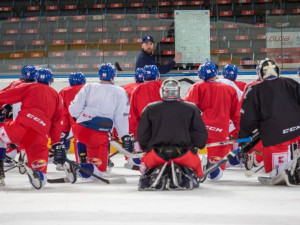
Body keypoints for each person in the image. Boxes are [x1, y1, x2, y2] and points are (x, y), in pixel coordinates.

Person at [137, 78, 208, 190]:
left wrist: (147, 148)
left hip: (156, 156)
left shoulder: (150, 108)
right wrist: (196, 146)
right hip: (185, 156)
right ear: (178, 91)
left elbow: (142, 136)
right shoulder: (191, 108)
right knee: (199, 173)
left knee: (143, 168)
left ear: (162, 91)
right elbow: (200, 136)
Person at [239, 58, 300, 186]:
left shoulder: (254, 89)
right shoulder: (292, 83)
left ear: (260, 73)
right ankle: (293, 166)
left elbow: (248, 118)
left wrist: (244, 140)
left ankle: (286, 168)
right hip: (297, 133)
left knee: (275, 173)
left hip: (275, 137)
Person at [0, 68, 63, 189]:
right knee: (42, 178)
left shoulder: (28, 87)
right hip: (40, 138)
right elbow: (56, 124)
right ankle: (38, 173)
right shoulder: (57, 97)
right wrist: (56, 143)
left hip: (19, 130)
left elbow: (3, 96)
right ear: (51, 80)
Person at [67, 63, 130, 181]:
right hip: (99, 134)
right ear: (114, 75)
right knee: (99, 172)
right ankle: (77, 168)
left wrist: (79, 116)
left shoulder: (88, 87)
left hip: (80, 130)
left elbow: (74, 110)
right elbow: (121, 116)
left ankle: (81, 162)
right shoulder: (120, 91)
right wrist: (124, 136)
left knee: (84, 145)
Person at [185, 61, 240, 181]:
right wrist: (238, 134)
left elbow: (188, 110)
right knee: (217, 174)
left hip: (200, 130)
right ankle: (211, 165)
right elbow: (236, 115)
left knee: (190, 156)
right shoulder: (230, 89)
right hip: (220, 132)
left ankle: (196, 165)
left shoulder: (196, 87)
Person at [0, 65, 38, 166]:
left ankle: (11, 155)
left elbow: (3, 96)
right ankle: (22, 155)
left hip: (18, 121)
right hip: (34, 121)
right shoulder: (39, 86)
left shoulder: (17, 84)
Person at [58, 72, 86, 166]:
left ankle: (62, 160)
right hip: (89, 120)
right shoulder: (88, 89)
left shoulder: (64, 91)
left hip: (72, 120)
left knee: (71, 139)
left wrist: (64, 129)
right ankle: (100, 161)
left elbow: (63, 112)